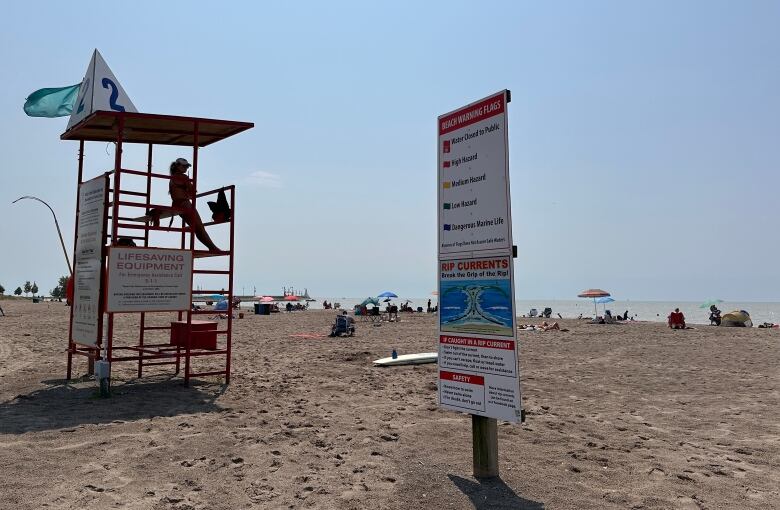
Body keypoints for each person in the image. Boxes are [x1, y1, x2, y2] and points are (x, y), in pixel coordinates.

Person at [169, 158, 220, 252]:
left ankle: (212, 247)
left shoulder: (172, 177)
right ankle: (213, 247)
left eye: (187, 166)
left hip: (176, 204)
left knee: (196, 228)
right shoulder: (183, 177)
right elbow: (193, 192)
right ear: (178, 166)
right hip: (185, 204)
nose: (186, 168)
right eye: (184, 166)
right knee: (199, 228)